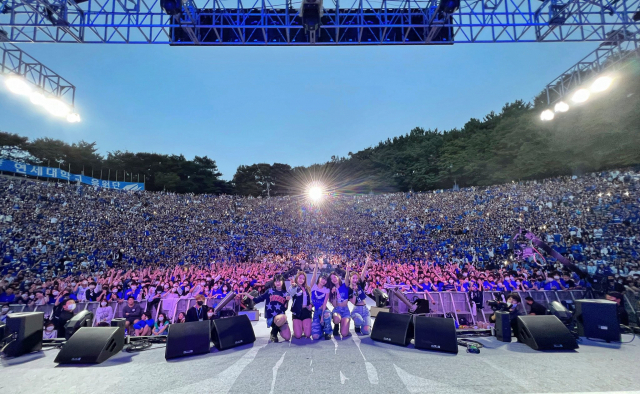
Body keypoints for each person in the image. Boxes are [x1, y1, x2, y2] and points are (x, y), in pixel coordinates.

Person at [244, 274, 291, 343]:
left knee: (287, 337)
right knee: (283, 317)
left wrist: (287, 300)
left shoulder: (285, 293)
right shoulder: (269, 291)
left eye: (279, 281)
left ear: (283, 281)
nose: (277, 283)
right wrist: (247, 295)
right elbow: (257, 300)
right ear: (274, 282)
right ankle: (274, 333)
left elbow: (285, 309)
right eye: (276, 281)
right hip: (272, 316)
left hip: (280, 316)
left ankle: (276, 329)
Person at [348, 257, 372, 335]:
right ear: (350, 279)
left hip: (365, 310)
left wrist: (366, 263)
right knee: (359, 320)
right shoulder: (349, 289)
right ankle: (357, 325)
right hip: (356, 310)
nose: (355, 280)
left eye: (356, 278)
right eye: (353, 278)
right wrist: (355, 291)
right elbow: (353, 302)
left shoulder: (360, 285)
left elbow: (363, 273)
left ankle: (365, 325)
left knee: (366, 332)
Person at [310, 261, 332, 340]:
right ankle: (321, 329)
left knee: (326, 315)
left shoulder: (326, 290)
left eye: (325, 280)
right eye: (323, 278)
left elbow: (325, 303)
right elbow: (314, 276)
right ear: (319, 278)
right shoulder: (313, 287)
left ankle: (328, 332)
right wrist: (316, 265)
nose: (324, 281)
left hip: (324, 310)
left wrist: (322, 317)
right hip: (316, 311)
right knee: (315, 337)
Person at [288, 271, 313, 340]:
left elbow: (311, 299)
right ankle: (299, 326)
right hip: (297, 313)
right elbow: (291, 293)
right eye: (300, 278)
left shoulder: (308, 288)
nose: (301, 280)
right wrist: (293, 286)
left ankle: (303, 326)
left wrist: (311, 305)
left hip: (306, 312)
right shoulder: (294, 287)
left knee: (308, 335)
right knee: (298, 335)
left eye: (303, 279)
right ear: (297, 278)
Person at [328, 268, 351, 339]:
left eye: (335, 277)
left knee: (344, 334)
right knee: (337, 319)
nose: (334, 279)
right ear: (331, 281)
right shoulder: (331, 291)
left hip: (345, 310)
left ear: (338, 277)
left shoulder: (345, 286)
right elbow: (334, 305)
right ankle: (336, 324)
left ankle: (344, 323)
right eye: (332, 279)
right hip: (337, 310)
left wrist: (347, 270)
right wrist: (333, 294)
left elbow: (347, 278)